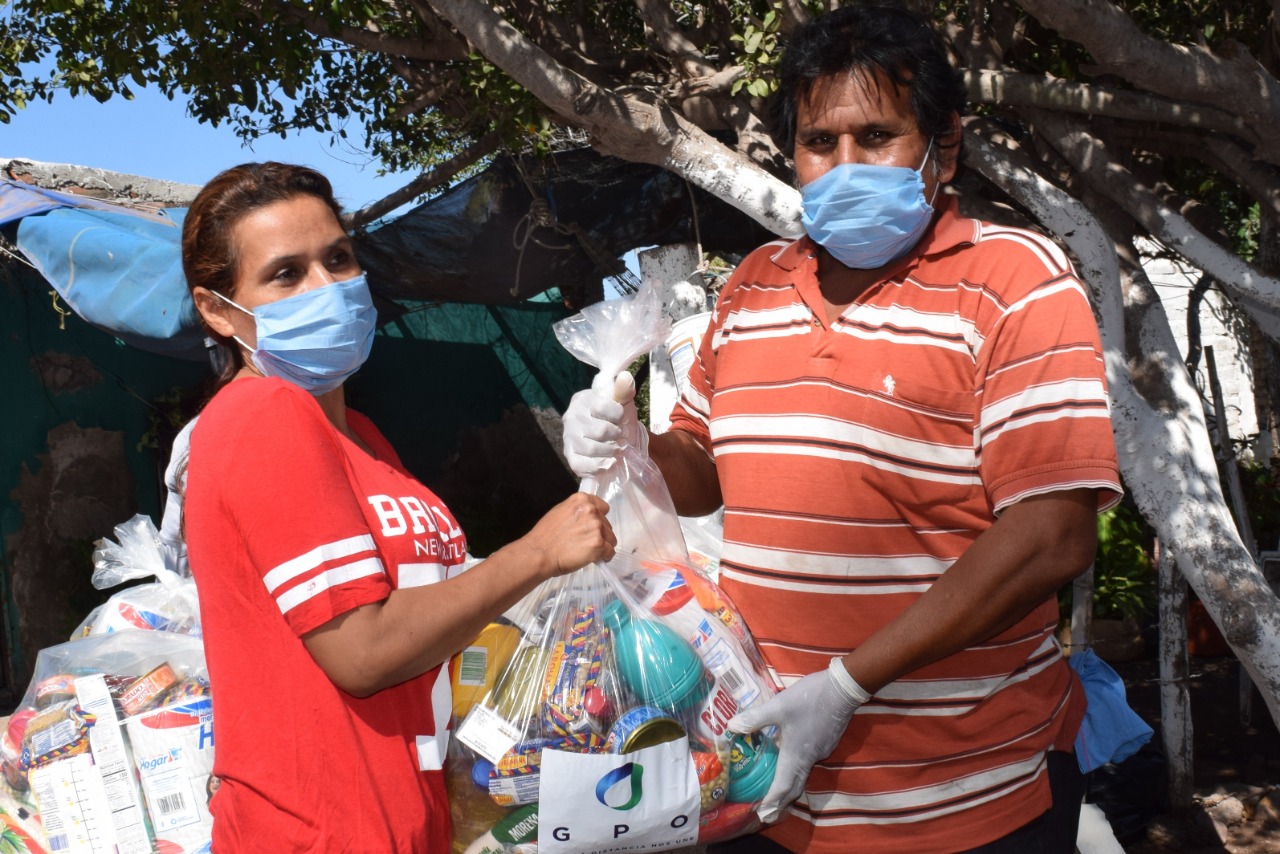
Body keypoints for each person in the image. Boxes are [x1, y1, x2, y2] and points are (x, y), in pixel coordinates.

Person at [561, 3, 1122, 852]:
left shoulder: (1016, 281)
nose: (844, 165)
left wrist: (847, 685)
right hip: (765, 790)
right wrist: (629, 447)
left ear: (945, 147)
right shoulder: (752, 285)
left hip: (966, 801)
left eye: (878, 136)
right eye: (820, 142)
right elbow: (704, 462)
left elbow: (1053, 536)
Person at [181, 161, 616, 852]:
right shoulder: (263, 415)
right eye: (286, 275)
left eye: (338, 258)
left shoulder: (361, 437)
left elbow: (427, 611)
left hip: (400, 818)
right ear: (216, 309)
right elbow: (365, 650)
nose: (328, 287)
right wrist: (535, 554)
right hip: (319, 830)